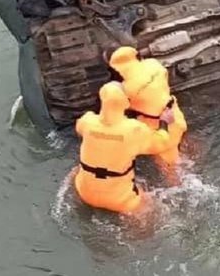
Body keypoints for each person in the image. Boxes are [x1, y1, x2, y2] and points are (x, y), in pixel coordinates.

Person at [73, 81, 180, 213]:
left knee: (78, 169)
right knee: (150, 207)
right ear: (125, 101)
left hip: (84, 194)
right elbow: (161, 143)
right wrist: (164, 122)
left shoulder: (87, 121)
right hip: (120, 200)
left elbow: (80, 130)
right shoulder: (133, 129)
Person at [108, 46, 187, 167]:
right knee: (182, 145)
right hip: (174, 115)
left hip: (158, 127)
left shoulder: (125, 89)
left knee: (172, 169)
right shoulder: (154, 64)